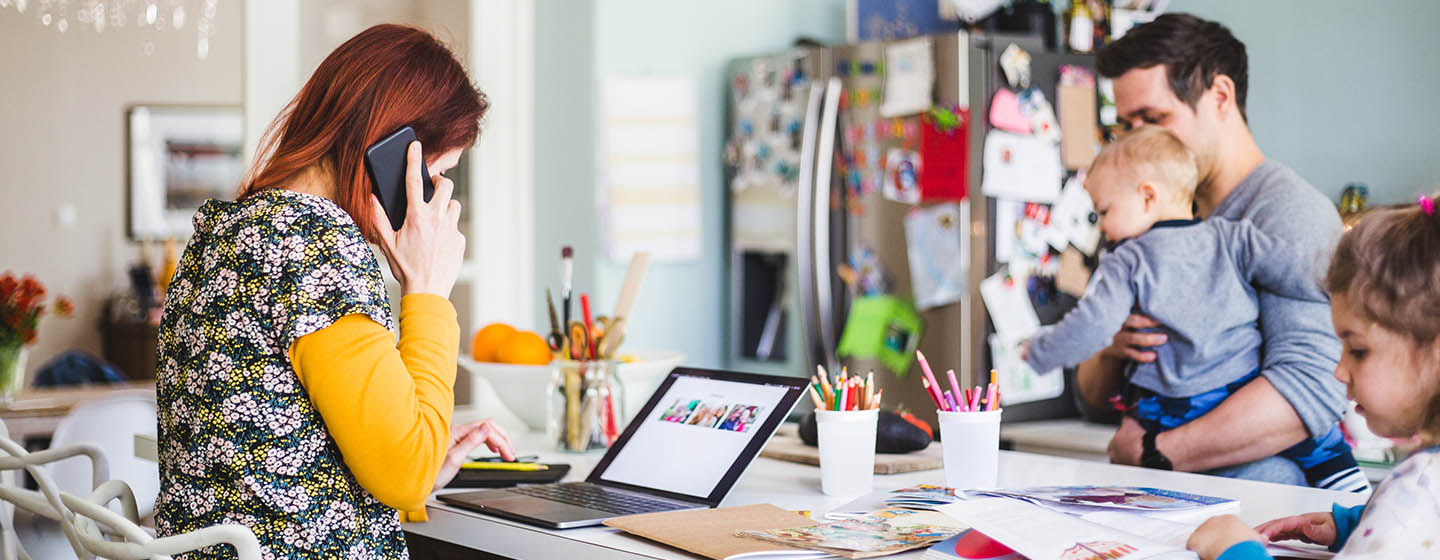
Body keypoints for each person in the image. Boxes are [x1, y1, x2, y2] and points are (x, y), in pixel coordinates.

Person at [154, 25, 516, 559]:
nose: (434, 197)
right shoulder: (317, 246)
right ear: (396, 157)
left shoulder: (227, 229)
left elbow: (263, 453)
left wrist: (418, 441)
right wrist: (430, 292)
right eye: (435, 174)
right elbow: (406, 477)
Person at [1021, 127, 1368, 492]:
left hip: (1173, 410)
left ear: (1148, 197)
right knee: (1321, 441)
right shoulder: (1229, 236)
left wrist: (1039, 350)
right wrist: (1356, 285)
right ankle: (1355, 500)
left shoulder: (1126, 261)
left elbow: (1091, 327)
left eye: (1104, 212)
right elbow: (1298, 268)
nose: (1104, 228)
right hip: (1239, 392)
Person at [1085, 13, 1350, 485]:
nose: (1139, 141)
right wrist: (1107, 347)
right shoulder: (1141, 214)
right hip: (1168, 496)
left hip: (1261, 510)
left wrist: (1156, 452)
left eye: (1155, 119)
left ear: (1220, 96)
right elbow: (1089, 394)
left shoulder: (1288, 215)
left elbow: (1309, 390)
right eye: (1127, 125)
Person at [1187, 199, 1440, 559]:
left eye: (1358, 350)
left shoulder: (1416, 493)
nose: (1339, 371)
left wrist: (1235, 550)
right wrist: (1357, 524)